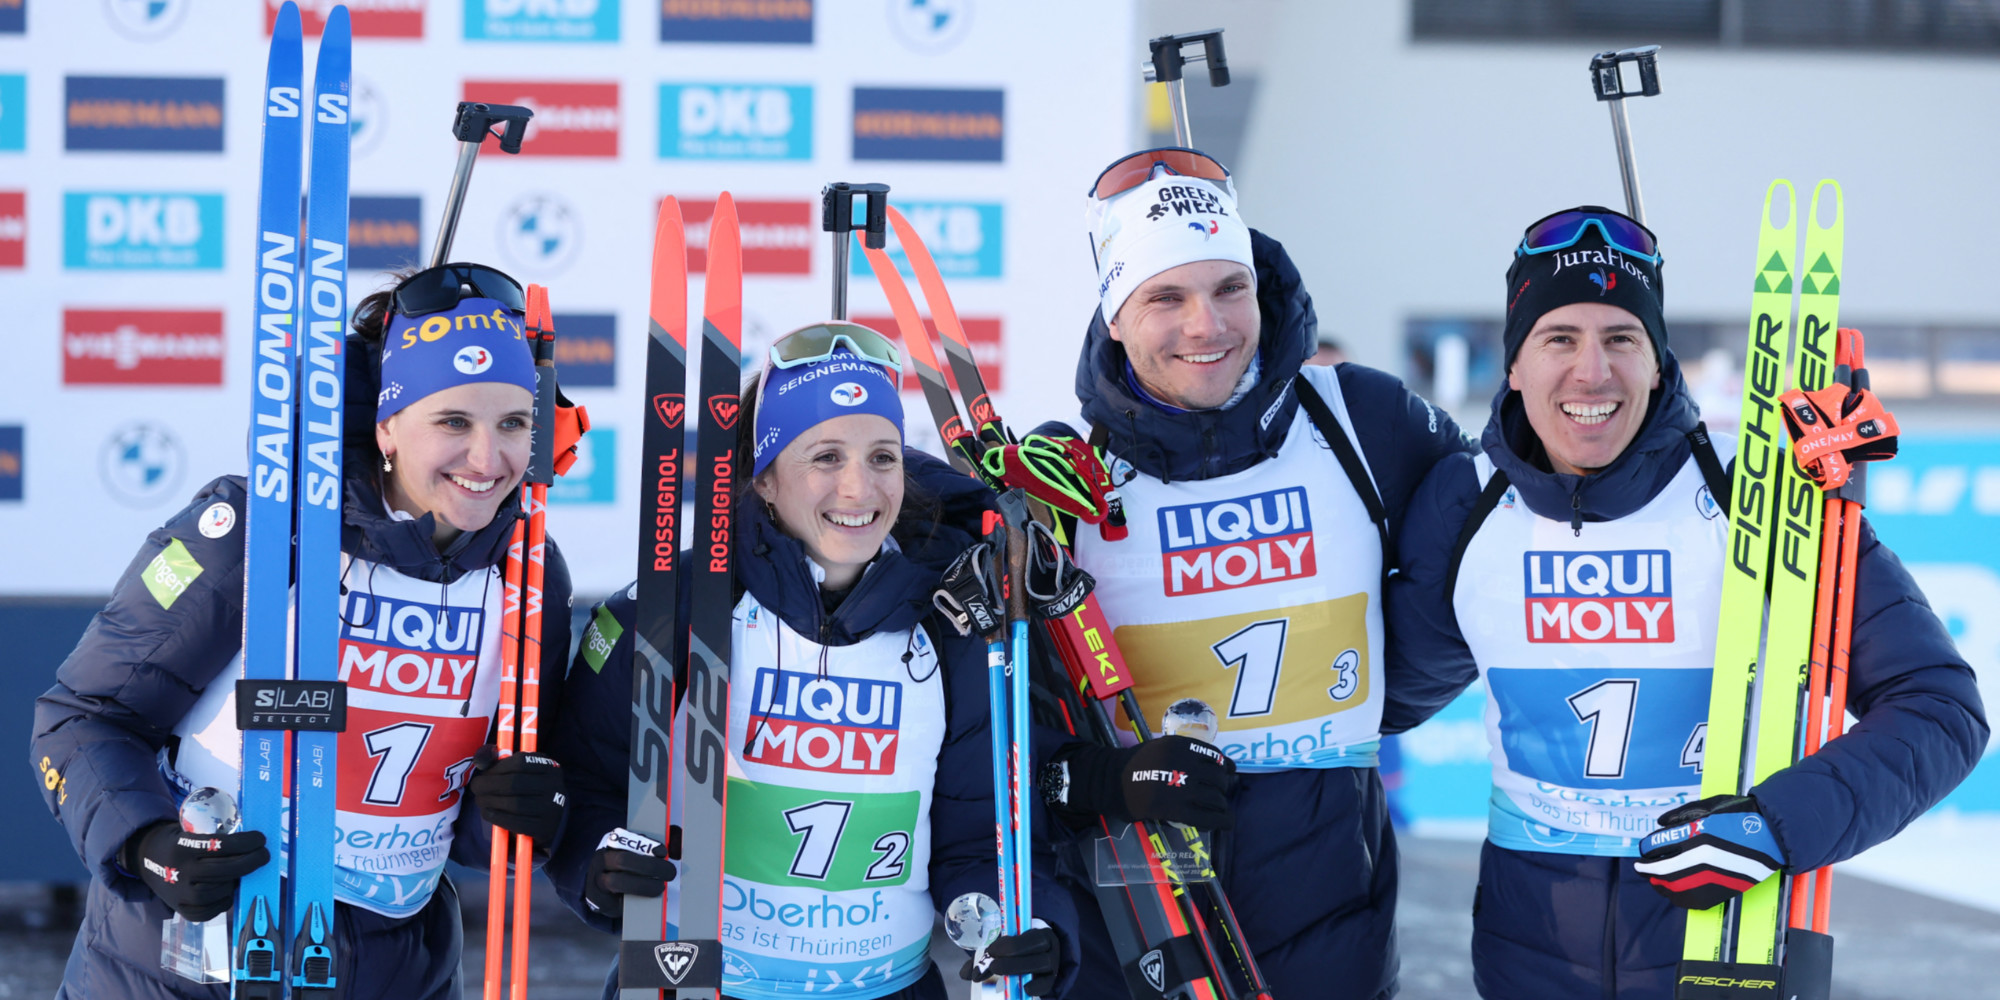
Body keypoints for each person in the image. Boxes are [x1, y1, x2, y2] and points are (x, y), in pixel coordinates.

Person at [1381, 207, 1989, 999]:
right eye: (1559, 338)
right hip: (1527, 952)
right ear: (1515, 366)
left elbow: (1941, 709)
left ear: (1661, 363)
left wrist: (1775, 826)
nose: (1591, 373)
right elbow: (1381, 695)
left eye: (1622, 339)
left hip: (1723, 941)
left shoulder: (1759, 494)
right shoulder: (1463, 504)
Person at [31, 263, 576, 999]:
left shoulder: (529, 576)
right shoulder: (256, 531)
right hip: (179, 972)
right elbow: (82, 720)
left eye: (513, 424)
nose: (488, 459)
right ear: (387, 425)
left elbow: (467, 824)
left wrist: (512, 811)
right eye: (453, 421)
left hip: (396, 973)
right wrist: (152, 847)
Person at [1029, 148, 1473, 1000]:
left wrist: (1379, 702)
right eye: (1166, 296)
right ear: (1115, 314)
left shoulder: (1360, 418)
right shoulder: (1064, 477)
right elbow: (1011, 729)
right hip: (1135, 907)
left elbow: (1493, 530)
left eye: (1230, 288)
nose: (1208, 325)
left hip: (1328, 901)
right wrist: (1105, 780)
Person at [545, 323, 1083, 1000]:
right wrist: (597, 866)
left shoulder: (954, 624)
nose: (859, 489)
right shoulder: (670, 605)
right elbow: (585, 786)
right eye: (825, 457)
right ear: (766, 478)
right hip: (692, 982)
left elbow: (981, 838)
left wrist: (1023, 925)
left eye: (882, 457)